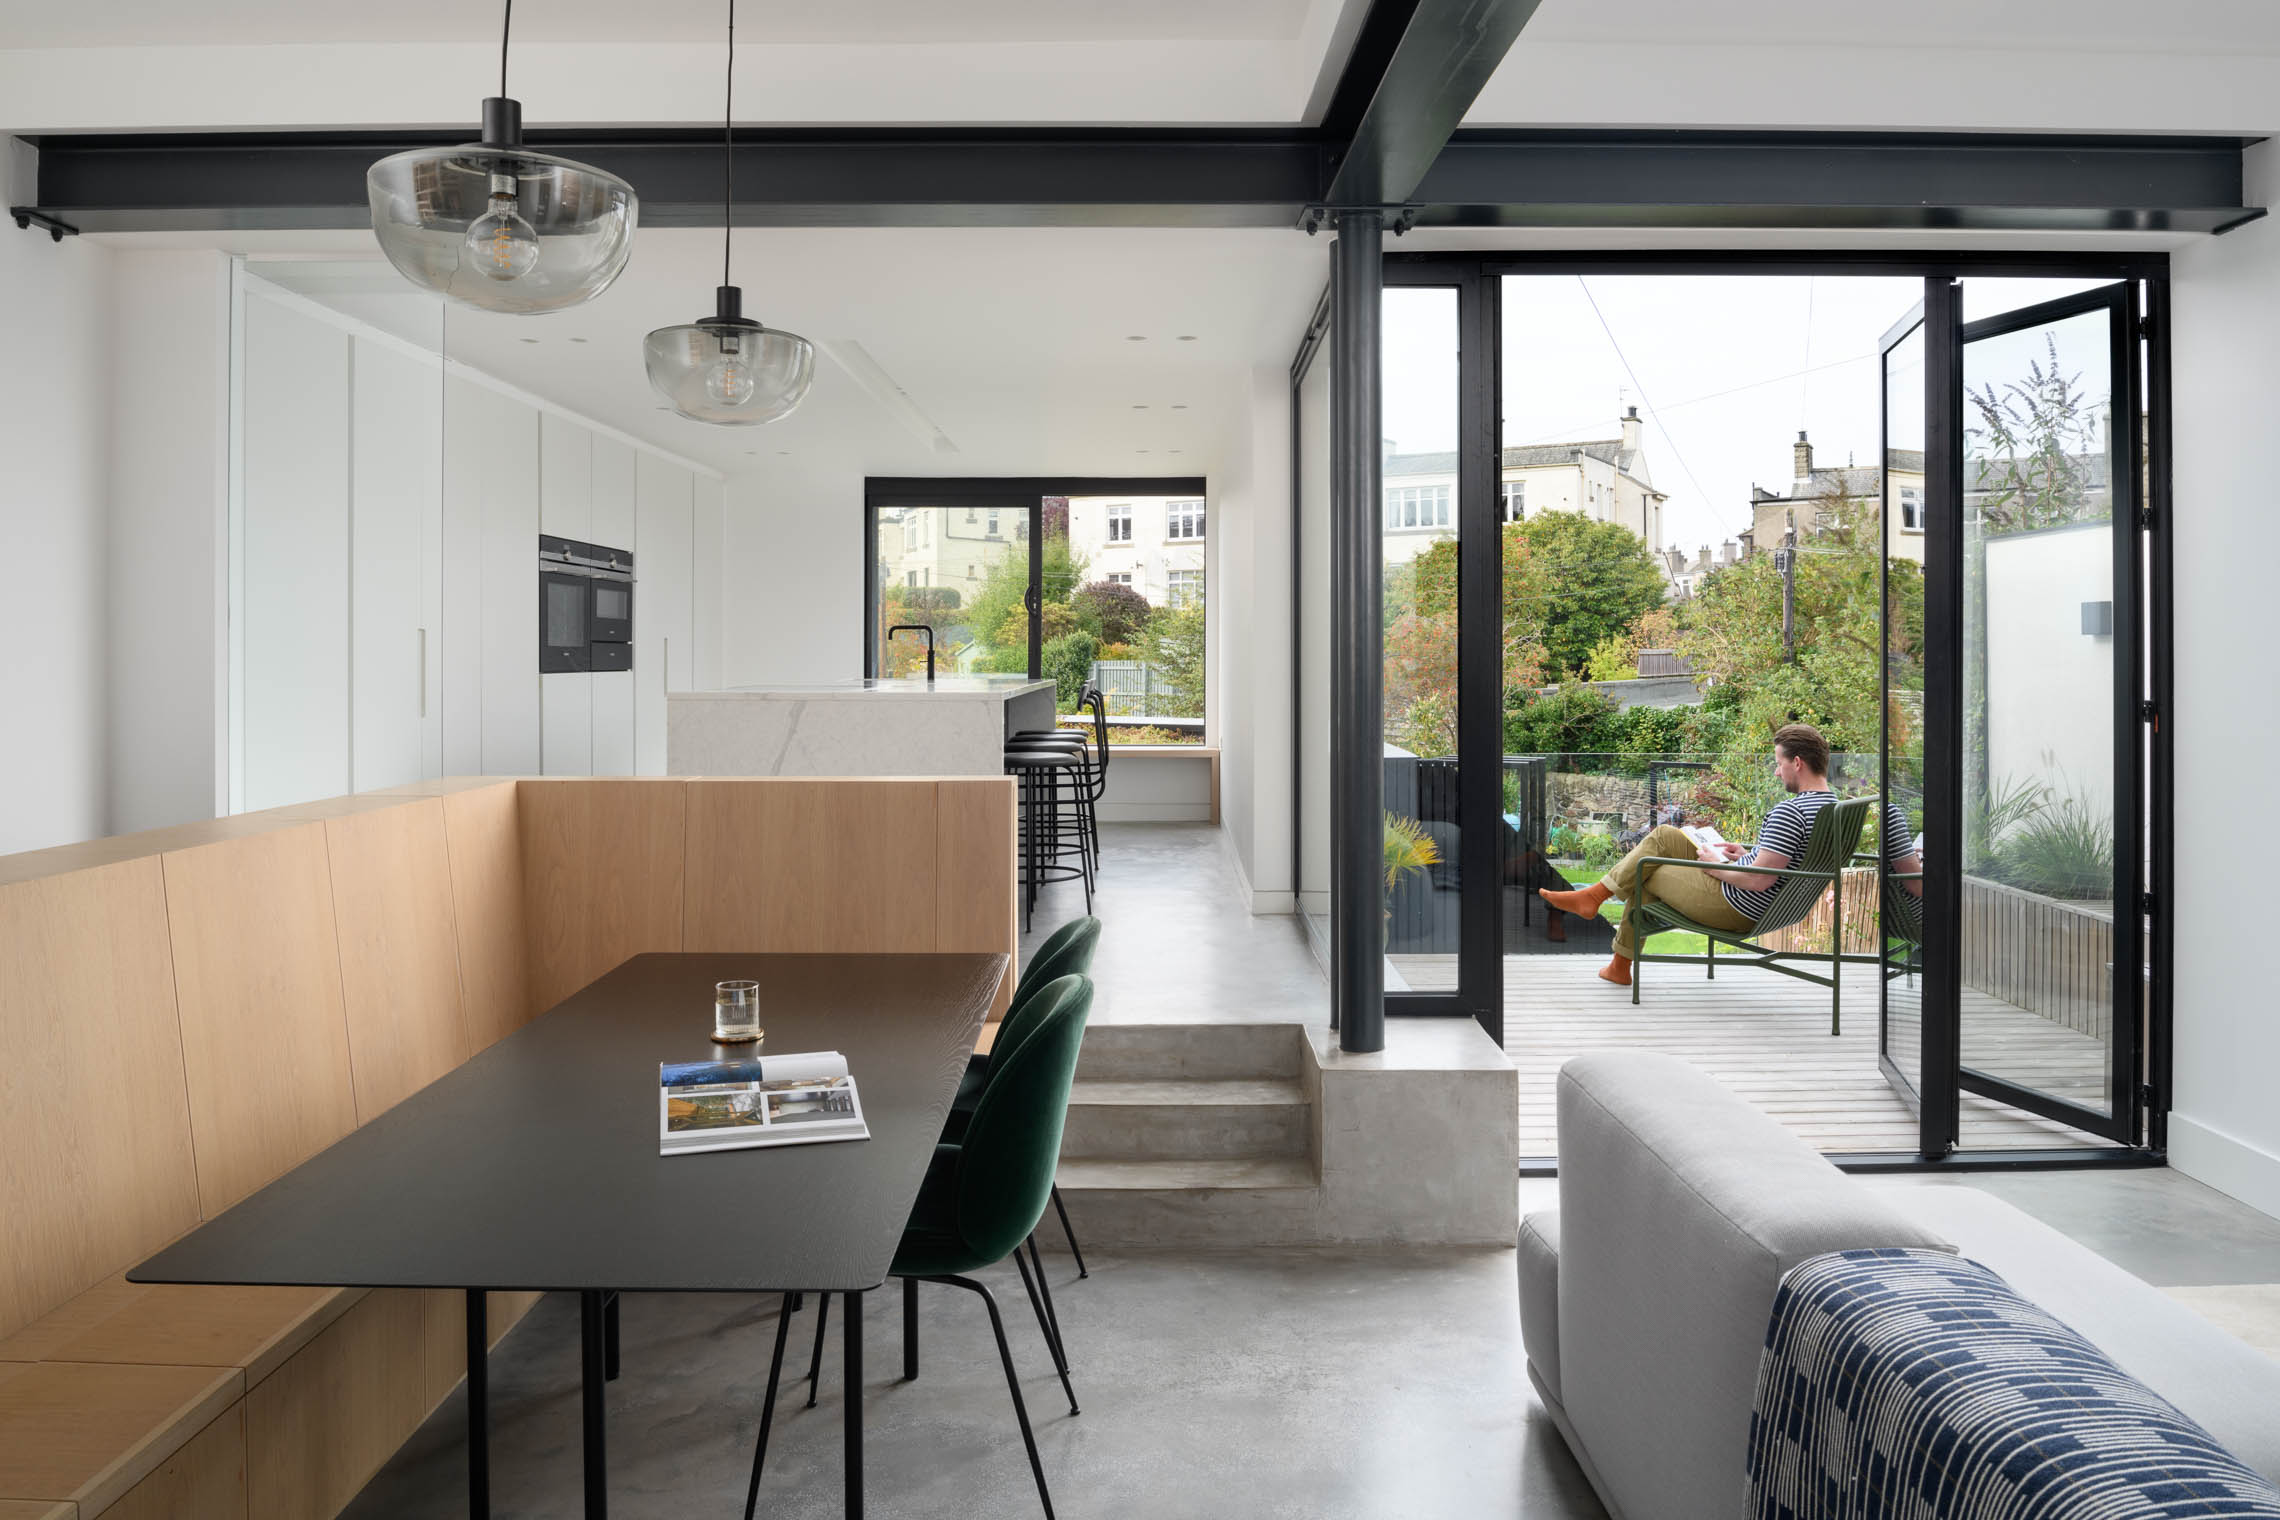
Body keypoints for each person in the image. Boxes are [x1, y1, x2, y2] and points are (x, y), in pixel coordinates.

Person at [1538, 723, 1922, 987]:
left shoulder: (1790, 810)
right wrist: (1747, 852)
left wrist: (1718, 865)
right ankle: (1616, 960)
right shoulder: (1833, 808)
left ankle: (1597, 907)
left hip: (1738, 906)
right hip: (1773, 905)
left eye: (1778, 763)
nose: (1776, 772)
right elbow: (1782, 863)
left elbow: (1757, 880)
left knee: (1646, 867)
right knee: (1666, 838)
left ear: (1798, 763)